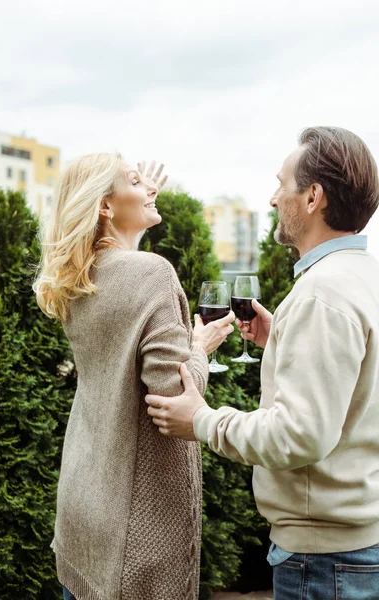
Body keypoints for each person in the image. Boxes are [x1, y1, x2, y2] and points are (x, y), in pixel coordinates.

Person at [146, 126, 379, 600]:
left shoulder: (322, 294)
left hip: (325, 562)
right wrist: (286, 339)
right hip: (354, 548)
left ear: (313, 197)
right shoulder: (362, 277)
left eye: (281, 184)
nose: (273, 199)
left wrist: (203, 421)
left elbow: (300, 435)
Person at [34, 154, 234, 600]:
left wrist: (136, 213)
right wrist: (200, 348)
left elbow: (124, 281)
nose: (151, 189)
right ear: (106, 206)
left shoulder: (78, 279)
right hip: (134, 532)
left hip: (84, 512)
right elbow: (173, 401)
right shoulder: (152, 274)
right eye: (136, 182)